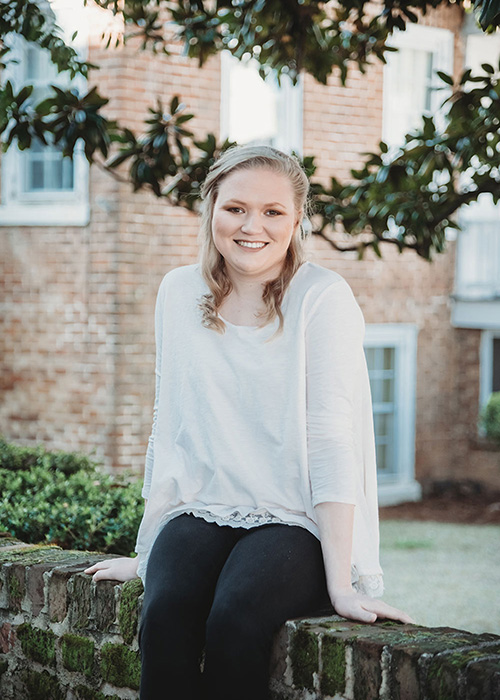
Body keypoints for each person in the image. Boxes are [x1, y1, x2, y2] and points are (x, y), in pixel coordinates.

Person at [84, 144, 414, 699]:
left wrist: (343, 583)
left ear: (297, 219)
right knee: (163, 614)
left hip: (294, 519)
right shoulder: (177, 292)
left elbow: (332, 438)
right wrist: (147, 555)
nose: (251, 226)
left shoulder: (321, 298)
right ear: (211, 207)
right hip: (204, 505)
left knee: (234, 620)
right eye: (235, 208)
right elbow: (173, 424)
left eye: (272, 212)